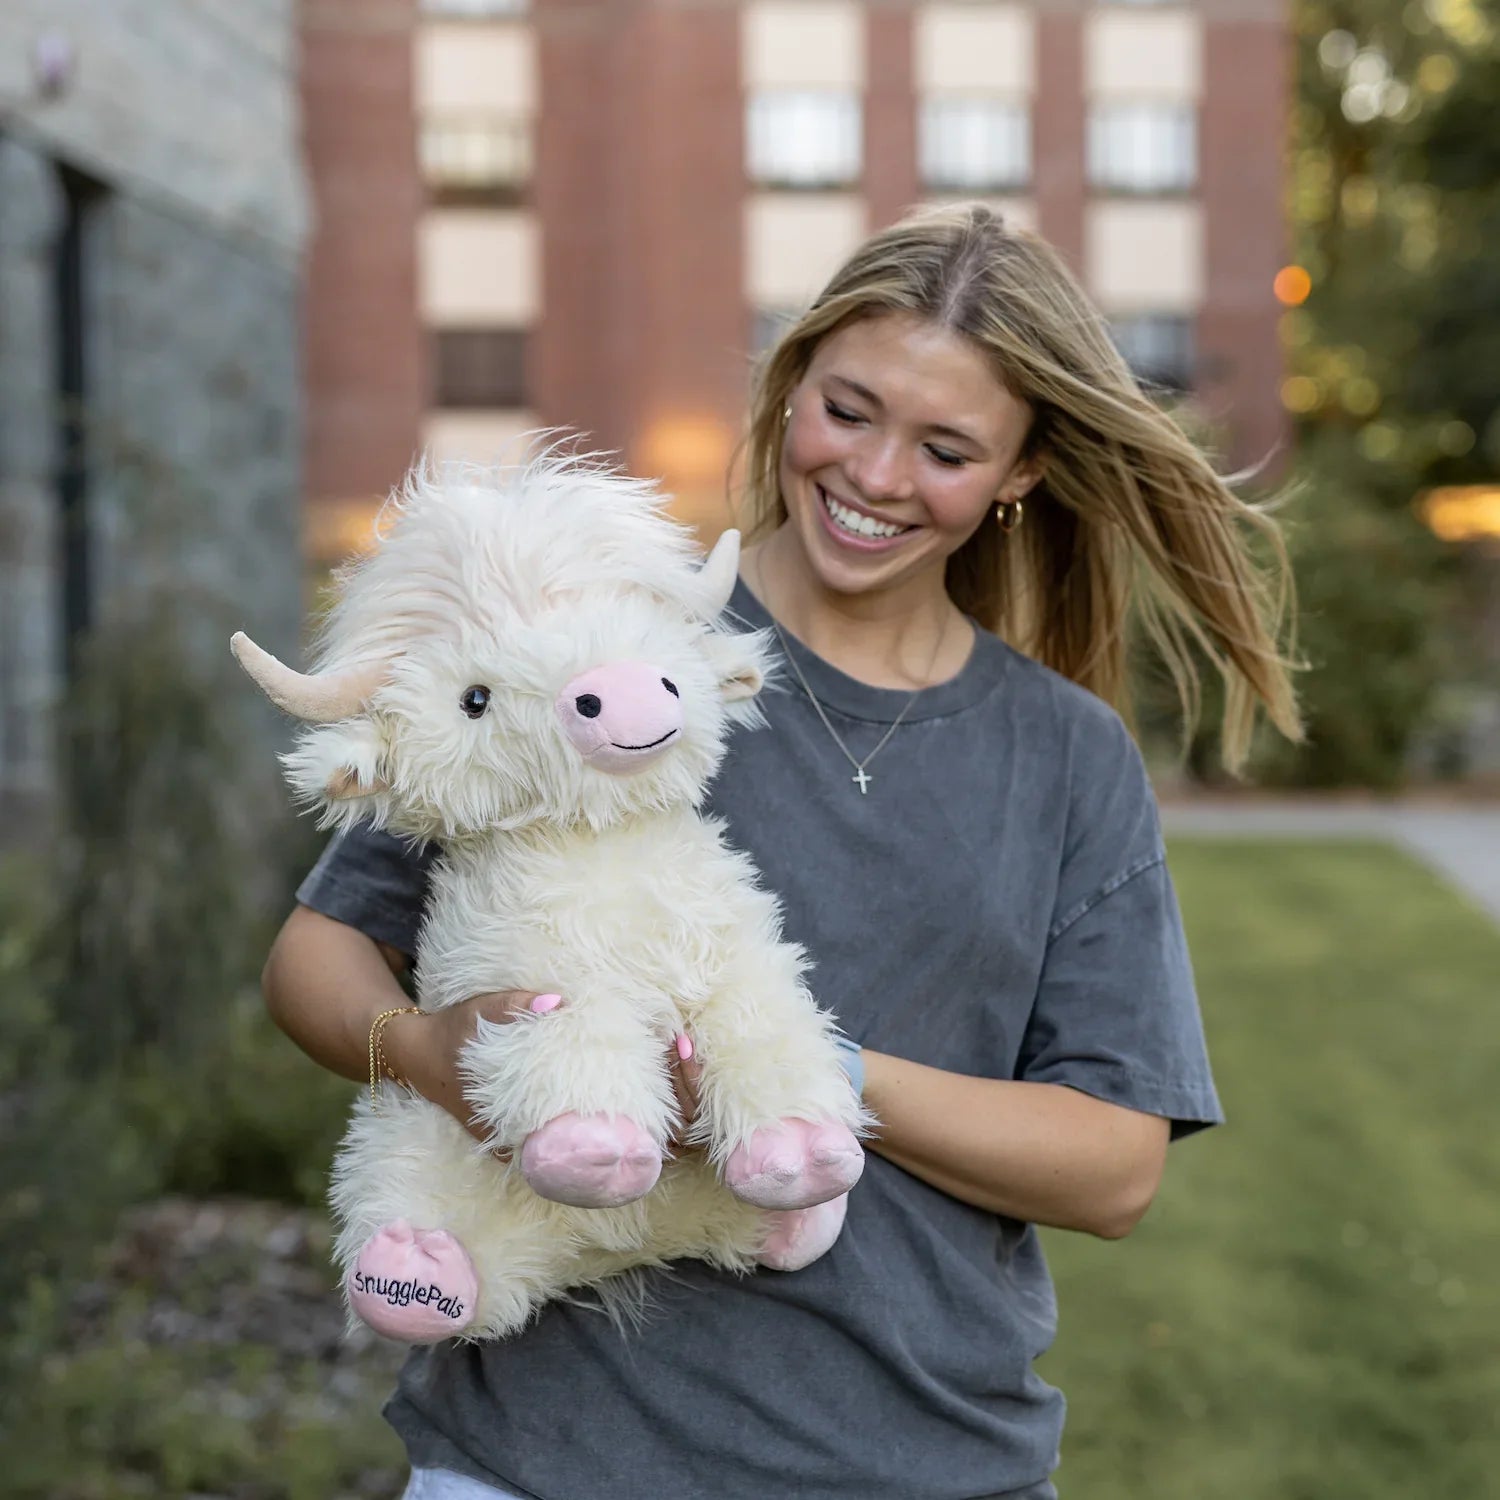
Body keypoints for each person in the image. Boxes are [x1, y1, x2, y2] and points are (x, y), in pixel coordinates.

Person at [263, 204, 1301, 1500]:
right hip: (546, 1459)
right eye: (849, 409)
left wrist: (801, 1078)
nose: (873, 475)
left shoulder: (1067, 756)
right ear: (792, 382)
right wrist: (422, 1051)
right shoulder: (604, 643)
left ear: (1020, 474)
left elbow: (1113, 1167)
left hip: (930, 1464)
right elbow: (318, 950)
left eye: (945, 448)